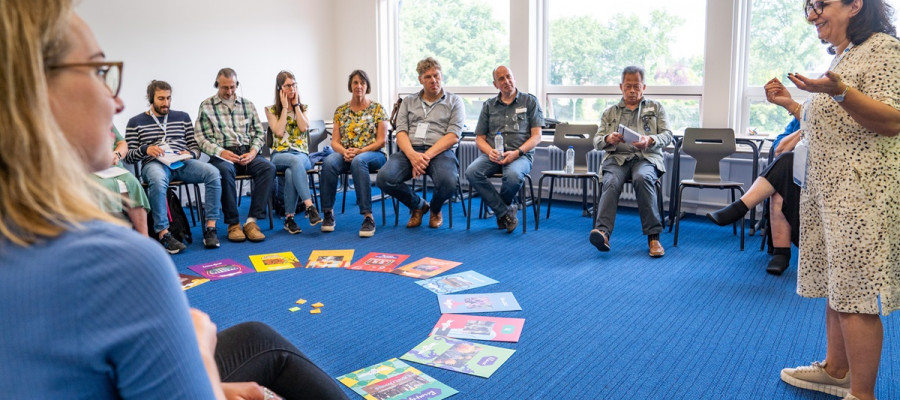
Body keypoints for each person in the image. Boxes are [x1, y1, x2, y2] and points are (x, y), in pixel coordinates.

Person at [0, 3, 351, 398]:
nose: (116, 102)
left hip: (210, 161)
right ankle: (191, 227)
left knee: (255, 330)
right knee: (260, 340)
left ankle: (236, 223)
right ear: (33, 89)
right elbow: (159, 148)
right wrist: (200, 353)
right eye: (99, 72)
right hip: (189, 162)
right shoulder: (121, 261)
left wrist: (246, 150)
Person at [770, 1, 900, 399]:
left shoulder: (885, 49)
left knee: (856, 293)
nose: (812, 16)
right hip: (828, 193)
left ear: (855, 4)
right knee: (838, 286)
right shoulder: (847, 56)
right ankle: (837, 369)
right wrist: (791, 104)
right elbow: (830, 121)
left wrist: (840, 91)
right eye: (809, 8)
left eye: (820, 5)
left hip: (861, 194)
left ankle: (862, 393)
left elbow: (892, 119)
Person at [707, 78, 803, 275]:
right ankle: (781, 254)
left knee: (785, 166)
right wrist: (807, 129)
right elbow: (779, 149)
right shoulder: (800, 120)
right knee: (780, 184)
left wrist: (814, 128)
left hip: (820, 180)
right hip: (795, 178)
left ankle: (739, 208)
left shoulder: (834, 122)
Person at [125, 80, 223, 253]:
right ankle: (164, 233)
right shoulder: (135, 122)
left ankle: (210, 228)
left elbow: (195, 147)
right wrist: (146, 149)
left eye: (169, 98)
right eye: (161, 99)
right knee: (157, 179)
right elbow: (130, 156)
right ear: (150, 98)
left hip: (182, 162)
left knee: (213, 173)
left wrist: (189, 154)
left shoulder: (182, 117)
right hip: (155, 163)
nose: (166, 103)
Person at [588, 66, 673, 257]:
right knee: (610, 182)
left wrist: (650, 140)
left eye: (636, 86)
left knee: (642, 178)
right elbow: (596, 140)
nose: (632, 90)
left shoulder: (656, 108)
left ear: (644, 87)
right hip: (617, 159)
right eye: (628, 86)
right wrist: (609, 139)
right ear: (621, 87)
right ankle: (603, 233)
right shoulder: (609, 112)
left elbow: (668, 135)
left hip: (645, 158)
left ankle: (654, 238)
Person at [376, 57, 465, 228]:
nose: (434, 80)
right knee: (384, 178)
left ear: (441, 76)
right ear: (420, 80)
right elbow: (400, 132)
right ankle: (418, 205)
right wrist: (412, 156)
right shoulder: (409, 101)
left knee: (449, 181)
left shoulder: (454, 101)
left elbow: (453, 135)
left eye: (436, 76)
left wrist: (423, 157)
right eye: (428, 77)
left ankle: (435, 209)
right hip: (411, 150)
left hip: (440, 152)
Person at [196, 68, 275, 243]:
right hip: (222, 153)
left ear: (237, 85)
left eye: (232, 87)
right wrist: (221, 152)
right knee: (223, 171)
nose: (229, 91)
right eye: (225, 88)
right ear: (217, 85)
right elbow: (201, 138)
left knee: (268, 168)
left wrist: (253, 151)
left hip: (247, 151)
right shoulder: (207, 106)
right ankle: (233, 224)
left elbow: (258, 133)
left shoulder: (248, 105)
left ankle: (251, 222)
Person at [465, 65, 544, 233]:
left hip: (520, 155)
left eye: (509, 76)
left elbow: (537, 136)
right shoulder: (489, 105)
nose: (507, 81)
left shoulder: (529, 101)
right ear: (496, 85)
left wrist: (517, 152)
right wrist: (489, 151)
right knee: (472, 172)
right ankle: (505, 212)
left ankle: (502, 211)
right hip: (494, 155)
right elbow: (479, 138)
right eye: (501, 79)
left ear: (514, 78)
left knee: (513, 176)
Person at [319, 69, 387, 237]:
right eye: (355, 83)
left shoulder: (378, 109)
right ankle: (328, 213)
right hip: (347, 153)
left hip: (373, 154)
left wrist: (360, 151)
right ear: (350, 85)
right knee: (328, 162)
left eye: (362, 83)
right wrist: (344, 151)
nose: (359, 86)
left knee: (359, 161)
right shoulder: (341, 111)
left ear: (367, 85)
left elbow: (381, 141)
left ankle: (368, 217)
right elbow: (334, 141)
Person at [264, 70, 322, 235]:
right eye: (288, 85)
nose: (292, 88)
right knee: (293, 164)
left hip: (302, 155)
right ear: (280, 88)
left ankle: (289, 218)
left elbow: (304, 127)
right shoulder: (271, 110)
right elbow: (279, 132)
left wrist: (295, 106)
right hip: (280, 155)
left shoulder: (303, 107)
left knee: (292, 171)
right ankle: (310, 206)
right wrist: (284, 108)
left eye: (294, 84)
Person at [92, 126, 151, 236]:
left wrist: (117, 154)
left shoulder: (105, 118)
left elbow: (122, 143)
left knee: (133, 184)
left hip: (114, 167)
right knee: (102, 186)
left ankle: (144, 238)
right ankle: (111, 237)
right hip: (89, 169)